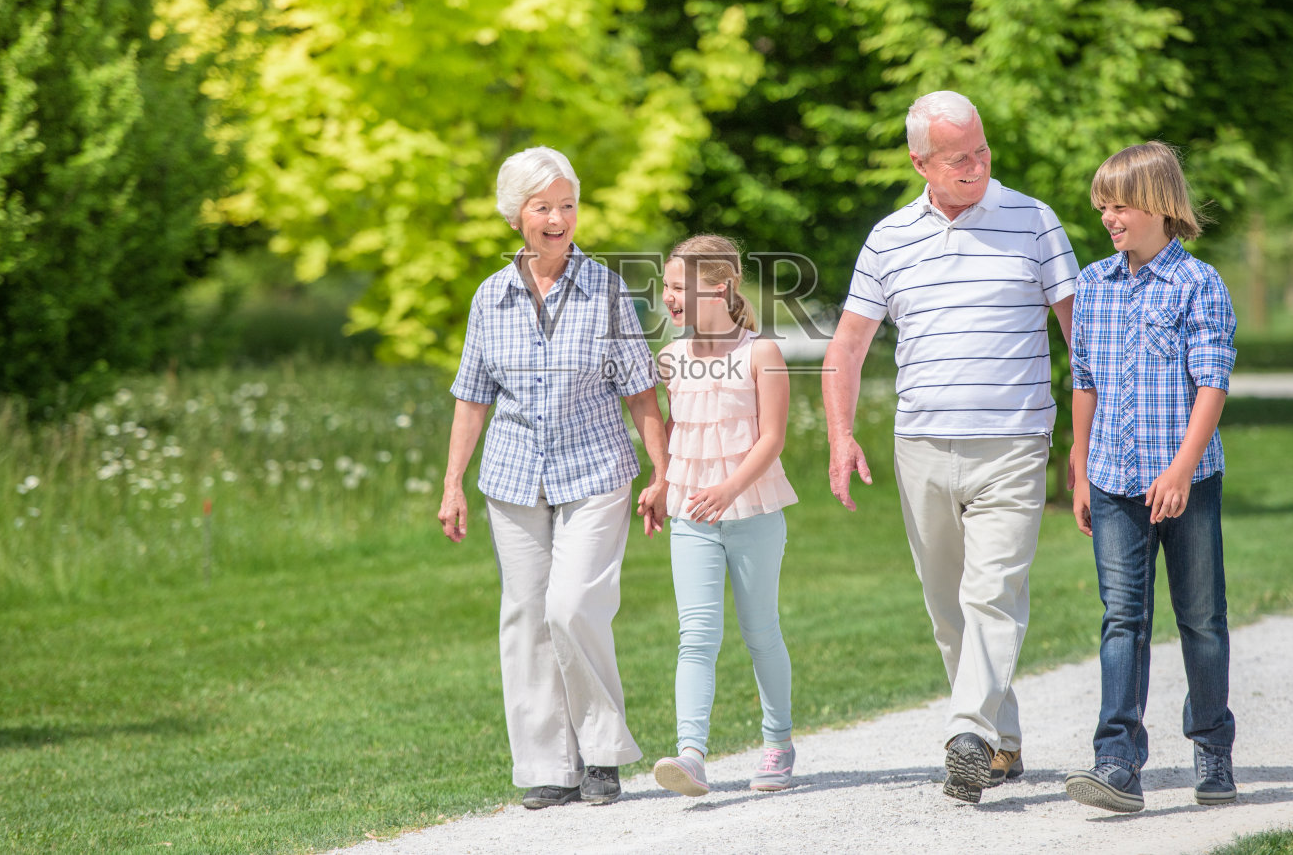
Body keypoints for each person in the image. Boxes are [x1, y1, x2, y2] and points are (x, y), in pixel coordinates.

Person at [822, 90, 1078, 804]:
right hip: (921, 447)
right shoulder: (888, 238)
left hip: (1015, 441)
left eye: (982, 150)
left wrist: (1095, 438)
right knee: (948, 607)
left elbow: (1080, 334)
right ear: (920, 162)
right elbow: (846, 347)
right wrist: (841, 436)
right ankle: (1006, 742)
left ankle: (968, 735)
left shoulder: (1035, 221)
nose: (976, 165)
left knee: (993, 592)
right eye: (958, 157)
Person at [438, 146, 669, 810]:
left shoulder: (606, 289)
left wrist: (662, 469)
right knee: (527, 619)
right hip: (512, 477)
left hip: (596, 468)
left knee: (572, 608)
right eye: (545, 206)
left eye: (568, 205)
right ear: (517, 214)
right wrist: (453, 483)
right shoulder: (491, 297)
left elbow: (640, 389)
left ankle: (602, 753)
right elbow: (472, 395)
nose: (560, 218)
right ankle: (549, 766)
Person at [1064, 141, 1238, 814]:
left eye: (1122, 205)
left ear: (1162, 207)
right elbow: (1084, 381)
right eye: (1103, 206)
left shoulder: (1199, 284)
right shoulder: (1092, 284)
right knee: (1122, 619)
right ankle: (1117, 762)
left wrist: (1182, 468)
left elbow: (1211, 383)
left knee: (1200, 619)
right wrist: (1079, 467)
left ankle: (1213, 744)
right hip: (1112, 479)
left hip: (1187, 481)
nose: (1110, 217)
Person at [645, 235, 822, 798]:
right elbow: (678, 432)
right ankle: (691, 755)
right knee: (695, 635)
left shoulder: (760, 353)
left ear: (718, 287)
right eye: (666, 286)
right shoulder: (670, 357)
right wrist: (659, 482)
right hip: (690, 512)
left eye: (679, 287)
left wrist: (728, 488)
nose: (668, 297)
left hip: (753, 510)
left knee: (760, 631)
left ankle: (778, 742)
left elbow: (771, 439)